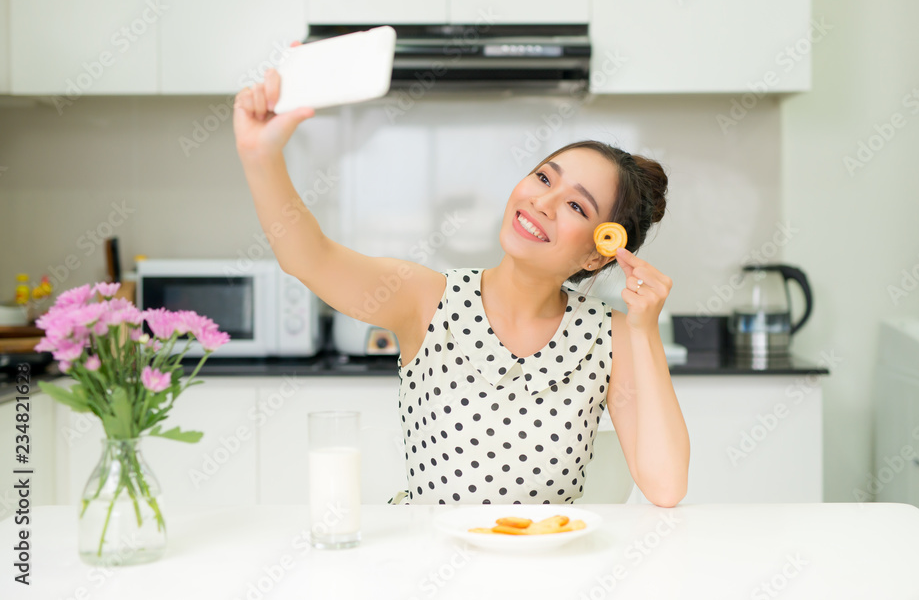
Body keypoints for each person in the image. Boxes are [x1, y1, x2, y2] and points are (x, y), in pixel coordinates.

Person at [233, 49, 689, 508]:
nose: (543, 203)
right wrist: (260, 156)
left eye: (576, 206)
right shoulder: (425, 298)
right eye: (544, 178)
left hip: (543, 570)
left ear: (596, 254)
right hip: (425, 564)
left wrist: (645, 329)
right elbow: (309, 258)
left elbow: (666, 487)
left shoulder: (610, 337)